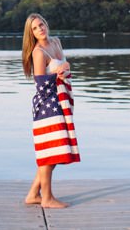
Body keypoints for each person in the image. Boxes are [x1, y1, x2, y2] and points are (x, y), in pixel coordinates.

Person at [21, 13, 80, 207]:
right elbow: (41, 84)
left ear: (46, 24)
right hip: (48, 104)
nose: (40, 29)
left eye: (41, 25)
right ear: (31, 33)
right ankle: (46, 198)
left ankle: (33, 195)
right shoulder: (38, 52)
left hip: (61, 101)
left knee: (55, 150)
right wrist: (58, 74)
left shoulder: (56, 42)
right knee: (50, 152)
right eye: (35, 28)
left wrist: (65, 66)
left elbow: (64, 64)